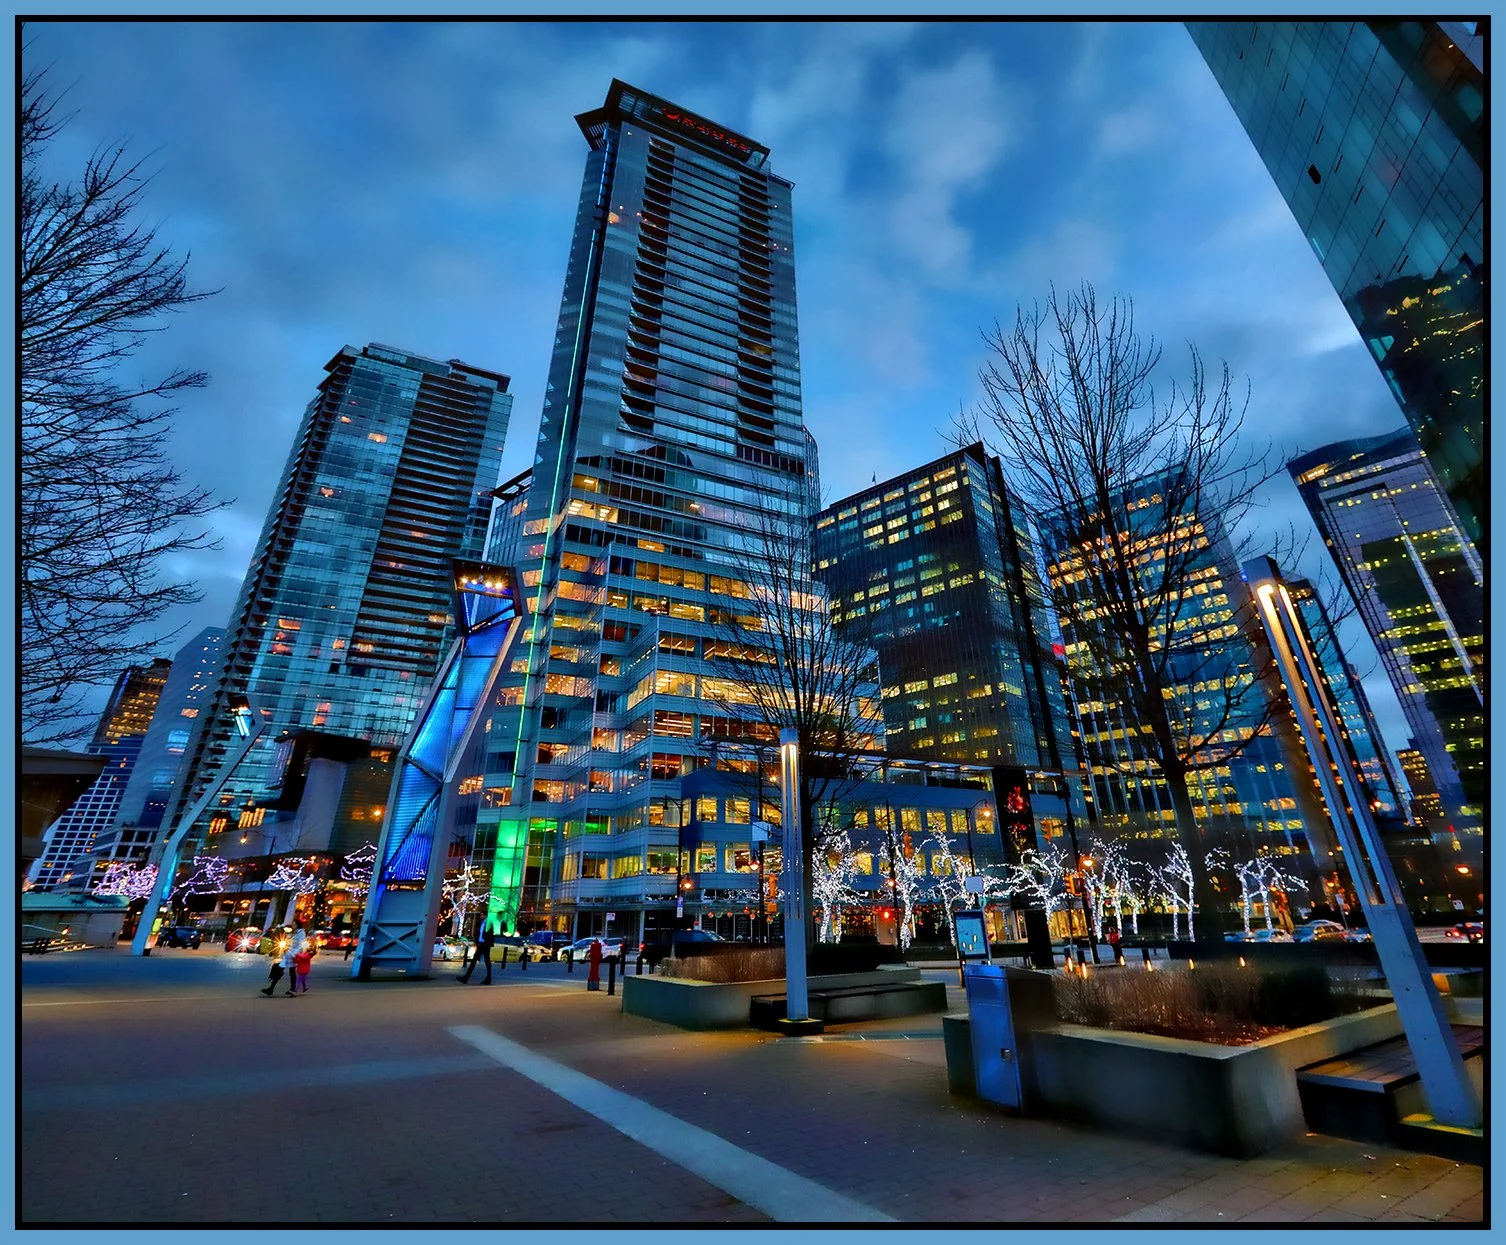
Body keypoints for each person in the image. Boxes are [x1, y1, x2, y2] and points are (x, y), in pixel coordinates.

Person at [459, 919, 494, 984]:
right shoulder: (481, 923)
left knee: (477, 961)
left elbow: (490, 934)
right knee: (486, 961)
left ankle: (466, 978)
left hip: (484, 944)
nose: (481, 916)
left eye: (482, 915)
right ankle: (488, 978)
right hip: (481, 944)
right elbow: (479, 933)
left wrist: (487, 943)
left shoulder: (489, 923)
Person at [280, 923, 309, 997]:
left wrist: (295, 954)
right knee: (293, 971)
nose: (293, 925)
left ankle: (294, 989)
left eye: (294, 924)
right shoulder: (293, 932)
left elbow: (300, 944)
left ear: (297, 925)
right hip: (289, 953)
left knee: (294, 972)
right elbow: (288, 940)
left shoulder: (301, 933)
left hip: (294, 954)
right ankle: (298, 987)